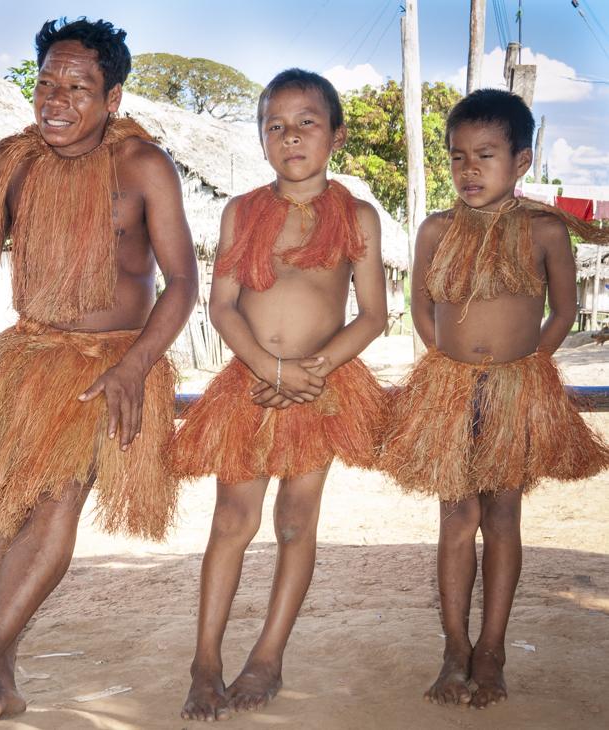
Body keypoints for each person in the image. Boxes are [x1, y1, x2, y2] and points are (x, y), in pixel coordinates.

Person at [0, 18, 197, 727]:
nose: (57, 100)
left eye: (78, 87)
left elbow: (184, 283)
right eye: (46, 83)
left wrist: (135, 368)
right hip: (26, 358)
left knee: (58, 499)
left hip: (110, 365)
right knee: (8, 517)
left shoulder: (143, 167)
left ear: (114, 97)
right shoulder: (9, 163)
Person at [379, 88, 609, 709]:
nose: (469, 169)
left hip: (515, 390)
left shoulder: (543, 229)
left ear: (523, 160)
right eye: (456, 157)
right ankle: (454, 648)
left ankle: (492, 650)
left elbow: (564, 307)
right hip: (450, 391)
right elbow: (421, 305)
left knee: (502, 518)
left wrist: (533, 365)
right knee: (457, 519)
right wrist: (445, 365)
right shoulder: (436, 229)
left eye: (485, 155)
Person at [172, 69, 387, 722]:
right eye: (275, 125)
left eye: (306, 123)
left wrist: (309, 371)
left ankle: (268, 654)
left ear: (337, 135)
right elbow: (223, 304)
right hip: (251, 382)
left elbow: (372, 315)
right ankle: (204, 660)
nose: (290, 136)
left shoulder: (358, 217)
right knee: (233, 520)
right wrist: (269, 366)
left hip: (321, 388)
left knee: (297, 522)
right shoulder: (243, 211)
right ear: (262, 137)